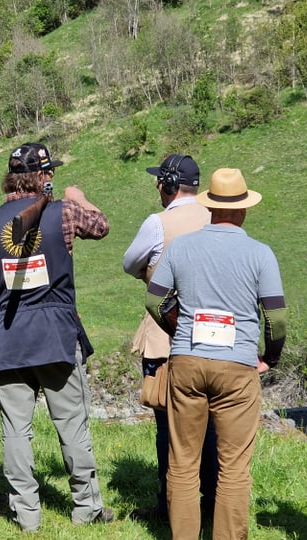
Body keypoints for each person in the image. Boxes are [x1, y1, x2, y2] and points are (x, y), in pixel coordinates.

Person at [0, 142, 112, 532]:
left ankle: (26, 515)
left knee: (15, 431)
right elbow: (100, 227)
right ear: (44, 176)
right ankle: (86, 508)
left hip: (8, 338)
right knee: (72, 425)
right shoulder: (64, 213)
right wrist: (78, 197)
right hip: (57, 337)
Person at [146, 168, 286, 539]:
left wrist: (178, 329)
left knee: (182, 463)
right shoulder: (260, 253)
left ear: (210, 207)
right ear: (243, 210)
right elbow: (275, 316)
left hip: (187, 362)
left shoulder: (181, 247)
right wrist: (270, 357)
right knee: (233, 466)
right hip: (237, 364)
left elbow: (155, 299)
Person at [122, 155, 217, 523]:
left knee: (167, 423)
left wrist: (153, 274)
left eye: (159, 182)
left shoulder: (157, 223)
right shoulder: (216, 217)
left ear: (169, 184)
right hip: (212, 334)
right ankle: (211, 499)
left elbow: (130, 263)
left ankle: (170, 505)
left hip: (166, 333)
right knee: (209, 422)